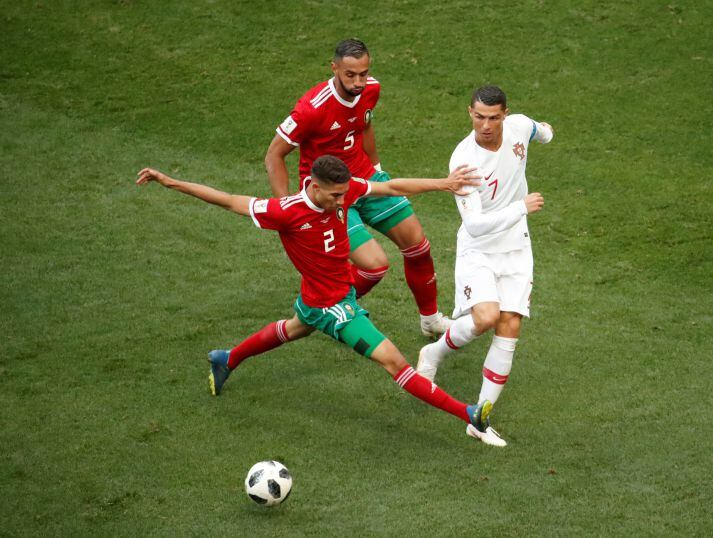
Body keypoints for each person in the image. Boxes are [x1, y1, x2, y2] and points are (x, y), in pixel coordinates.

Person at [135, 156, 495, 438]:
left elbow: (389, 188)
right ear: (314, 186)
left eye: (344, 194)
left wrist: (443, 184)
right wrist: (170, 182)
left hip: (325, 296)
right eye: (336, 196)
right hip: (332, 307)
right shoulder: (286, 211)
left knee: (294, 328)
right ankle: (469, 413)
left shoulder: (343, 190)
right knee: (395, 363)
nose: (343, 202)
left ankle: (226, 358)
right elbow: (229, 201)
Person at [264, 38, 451, 338]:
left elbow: (364, 124)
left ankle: (430, 321)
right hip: (330, 196)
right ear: (334, 68)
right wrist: (286, 206)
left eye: (363, 73)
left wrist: (376, 168)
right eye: (350, 74)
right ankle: (331, 310)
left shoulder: (370, 89)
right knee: (374, 267)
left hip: (364, 180)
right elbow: (274, 154)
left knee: (418, 246)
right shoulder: (312, 108)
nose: (358, 81)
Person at [416, 85, 554, 447]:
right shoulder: (464, 161)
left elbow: (540, 130)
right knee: (485, 318)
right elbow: (475, 225)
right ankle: (433, 352)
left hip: (516, 248)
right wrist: (520, 207)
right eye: (479, 116)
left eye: (494, 117)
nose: (486, 125)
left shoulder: (520, 126)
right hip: (478, 248)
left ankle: (480, 418)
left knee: (510, 324)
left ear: (505, 114)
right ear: (469, 113)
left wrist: (546, 131)